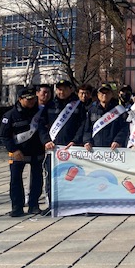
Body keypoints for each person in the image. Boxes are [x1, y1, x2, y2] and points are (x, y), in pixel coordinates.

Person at [39, 79, 87, 215]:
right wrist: (46, 141)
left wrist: (75, 141)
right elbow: (41, 126)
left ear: (71, 89)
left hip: (72, 147)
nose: (62, 92)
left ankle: (75, 205)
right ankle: (52, 205)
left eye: (65, 89)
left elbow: (83, 125)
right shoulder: (49, 105)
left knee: (74, 177)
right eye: (59, 89)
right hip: (53, 149)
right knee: (52, 178)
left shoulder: (78, 106)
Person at [0, 87, 45, 217]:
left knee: (37, 179)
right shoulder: (10, 115)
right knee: (15, 180)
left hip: (36, 151)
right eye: (28, 99)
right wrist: (13, 150)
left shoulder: (39, 113)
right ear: (20, 99)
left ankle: (34, 205)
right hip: (18, 153)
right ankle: (17, 207)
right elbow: (3, 135)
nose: (31, 102)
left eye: (33, 99)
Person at [83, 83, 129, 151]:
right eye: (102, 93)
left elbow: (124, 128)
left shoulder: (119, 110)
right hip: (95, 149)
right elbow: (87, 129)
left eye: (107, 93)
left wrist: (118, 140)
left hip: (114, 149)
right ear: (98, 95)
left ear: (111, 94)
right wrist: (87, 141)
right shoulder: (92, 110)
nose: (104, 95)